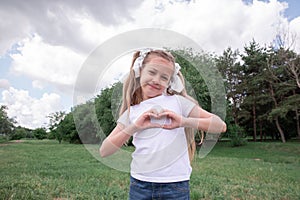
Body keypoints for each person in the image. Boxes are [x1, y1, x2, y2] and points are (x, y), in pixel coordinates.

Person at [99, 49, 226, 199]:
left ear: (170, 81)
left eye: (164, 77)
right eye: (152, 72)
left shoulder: (178, 103)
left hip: (175, 185)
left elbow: (220, 125)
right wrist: (134, 127)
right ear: (140, 71)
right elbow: (104, 151)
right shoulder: (133, 111)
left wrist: (183, 121)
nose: (156, 80)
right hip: (140, 185)